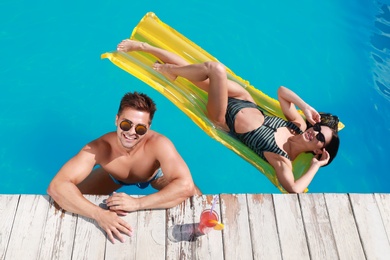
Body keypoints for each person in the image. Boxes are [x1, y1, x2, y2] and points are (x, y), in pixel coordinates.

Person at [116, 39, 340, 194]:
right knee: (197, 69)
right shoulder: (298, 125)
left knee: (215, 70)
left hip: (223, 117)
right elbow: (282, 92)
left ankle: (171, 70)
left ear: (319, 150)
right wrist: (306, 106)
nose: (315, 133)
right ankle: (144, 47)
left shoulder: (282, 159)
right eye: (319, 129)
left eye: (321, 138)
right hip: (242, 98)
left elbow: (293, 189)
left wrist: (315, 166)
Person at [47, 92, 200, 243]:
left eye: (140, 128)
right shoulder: (100, 148)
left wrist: (137, 203)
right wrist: (99, 214)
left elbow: (185, 185)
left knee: (197, 201)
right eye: (126, 124)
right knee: (67, 201)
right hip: (113, 176)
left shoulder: (159, 144)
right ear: (117, 120)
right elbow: (57, 187)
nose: (131, 132)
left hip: (155, 176)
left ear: (148, 127)